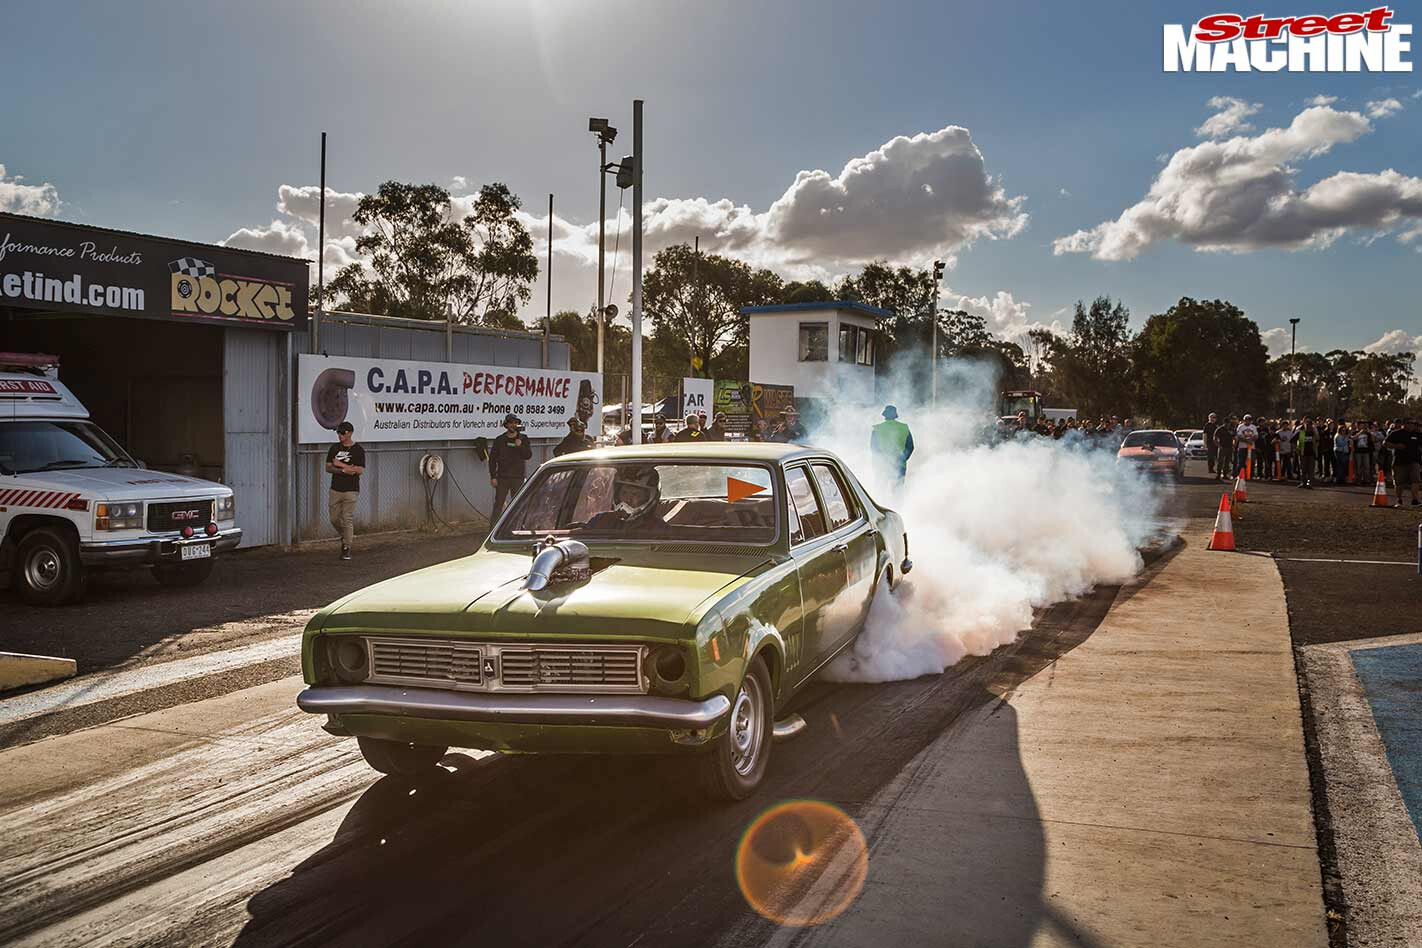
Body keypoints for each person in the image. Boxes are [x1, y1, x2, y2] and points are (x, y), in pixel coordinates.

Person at [325, 421, 365, 561]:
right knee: (334, 518)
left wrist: (340, 463)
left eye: (342, 433)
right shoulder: (334, 448)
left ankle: (346, 547)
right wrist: (344, 470)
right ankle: (346, 535)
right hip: (335, 488)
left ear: (350, 433)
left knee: (347, 517)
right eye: (338, 432)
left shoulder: (358, 450)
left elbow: (360, 470)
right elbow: (328, 467)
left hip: (351, 489)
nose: (340, 435)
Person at [489, 413, 533, 522]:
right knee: (498, 504)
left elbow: (528, 455)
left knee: (517, 504)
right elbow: (492, 459)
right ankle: (492, 530)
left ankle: (516, 527)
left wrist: (520, 446)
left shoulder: (523, 438)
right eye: (511, 423)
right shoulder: (499, 440)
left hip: (518, 477)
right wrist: (493, 476)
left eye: (516, 423)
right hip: (502, 477)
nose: (513, 425)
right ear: (506, 425)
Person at [870, 405, 915, 484]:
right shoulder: (904, 428)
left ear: (885, 415)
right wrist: (902, 459)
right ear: (895, 416)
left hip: (882, 466)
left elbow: (874, 448)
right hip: (899, 465)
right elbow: (910, 447)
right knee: (898, 491)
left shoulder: (877, 429)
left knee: (881, 490)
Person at [1384, 418, 1422, 507]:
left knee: (1416, 480)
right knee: (1399, 482)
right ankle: (1399, 500)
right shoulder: (1396, 433)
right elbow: (1385, 443)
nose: (1412, 425)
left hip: (1414, 461)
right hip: (1399, 462)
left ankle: (1415, 500)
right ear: (1404, 424)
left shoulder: (1418, 434)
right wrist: (1396, 446)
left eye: (1413, 423)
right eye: (1409, 423)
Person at [1235, 414, 1258, 479]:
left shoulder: (1253, 427)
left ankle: (1251, 475)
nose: (1247, 421)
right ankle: (1240, 475)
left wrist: (1251, 440)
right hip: (1242, 447)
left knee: (1251, 461)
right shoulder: (1240, 426)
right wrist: (1247, 441)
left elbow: (1256, 436)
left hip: (1251, 447)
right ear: (1244, 420)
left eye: (1249, 420)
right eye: (1246, 419)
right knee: (1241, 462)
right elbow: (1239, 436)